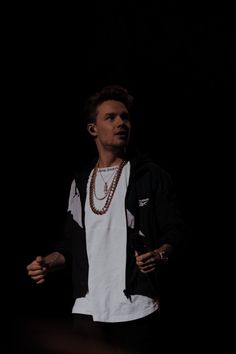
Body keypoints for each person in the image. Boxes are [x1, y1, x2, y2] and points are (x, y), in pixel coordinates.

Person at [26, 85, 186, 353]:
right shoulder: (79, 182)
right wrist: (47, 263)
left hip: (136, 309)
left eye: (125, 117)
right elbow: (71, 245)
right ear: (93, 129)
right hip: (88, 311)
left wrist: (159, 254)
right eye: (111, 117)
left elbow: (176, 230)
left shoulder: (149, 176)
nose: (121, 123)